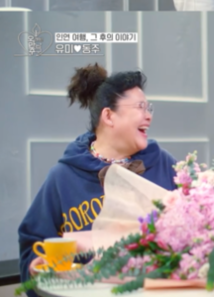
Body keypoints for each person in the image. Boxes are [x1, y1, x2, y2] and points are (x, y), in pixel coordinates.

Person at [18, 64, 177, 292]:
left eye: (149, 108)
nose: (149, 116)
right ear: (109, 116)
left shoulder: (165, 164)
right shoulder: (62, 177)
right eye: (140, 107)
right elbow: (34, 244)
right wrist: (37, 267)